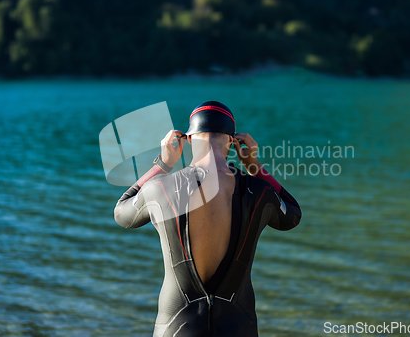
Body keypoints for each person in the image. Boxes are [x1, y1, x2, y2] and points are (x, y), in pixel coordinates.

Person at [114, 101, 302, 337]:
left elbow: (121, 213)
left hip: (175, 326)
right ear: (233, 142)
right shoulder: (260, 191)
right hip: (239, 326)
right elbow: (293, 214)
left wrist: (164, 163)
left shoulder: (159, 188)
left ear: (189, 139)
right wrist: (254, 166)